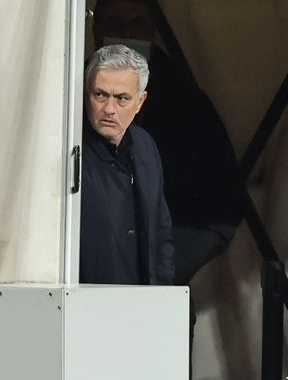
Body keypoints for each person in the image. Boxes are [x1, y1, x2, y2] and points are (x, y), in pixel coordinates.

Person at [91, 0, 241, 286]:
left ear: (153, 31)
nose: (126, 34)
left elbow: (223, 208)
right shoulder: (70, 91)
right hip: (87, 271)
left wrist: (167, 265)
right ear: (95, 30)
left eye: (136, 24)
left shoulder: (185, 101)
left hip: (166, 266)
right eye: (116, 24)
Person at [81, 44, 175, 286]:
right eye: (100, 95)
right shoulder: (71, 147)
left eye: (121, 98)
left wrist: (161, 294)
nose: (109, 109)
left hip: (142, 298)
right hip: (88, 297)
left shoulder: (145, 146)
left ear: (140, 102)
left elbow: (161, 231)